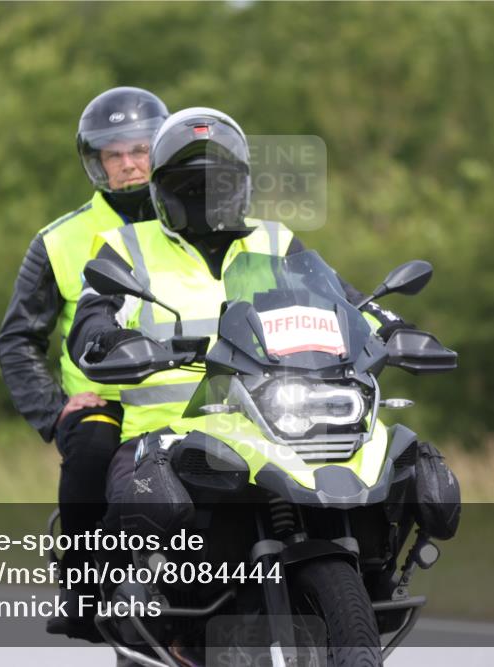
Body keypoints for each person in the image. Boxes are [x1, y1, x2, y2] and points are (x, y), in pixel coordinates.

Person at [68, 107, 406, 511]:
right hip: (166, 433)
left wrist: (395, 328)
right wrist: (108, 340)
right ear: (162, 192)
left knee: (387, 477)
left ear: (242, 186)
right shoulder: (126, 246)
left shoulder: (275, 240)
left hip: (275, 429)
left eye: (218, 184)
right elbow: (93, 317)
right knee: (136, 515)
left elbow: (347, 302)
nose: (205, 196)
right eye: (189, 186)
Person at [0, 86, 168, 639]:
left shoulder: (199, 222)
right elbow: (18, 339)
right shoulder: (59, 241)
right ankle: (83, 585)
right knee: (91, 442)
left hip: (199, 400)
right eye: (113, 155)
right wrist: (54, 411)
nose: (128, 165)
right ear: (96, 163)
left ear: (159, 150)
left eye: (139, 150)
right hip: (107, 407)